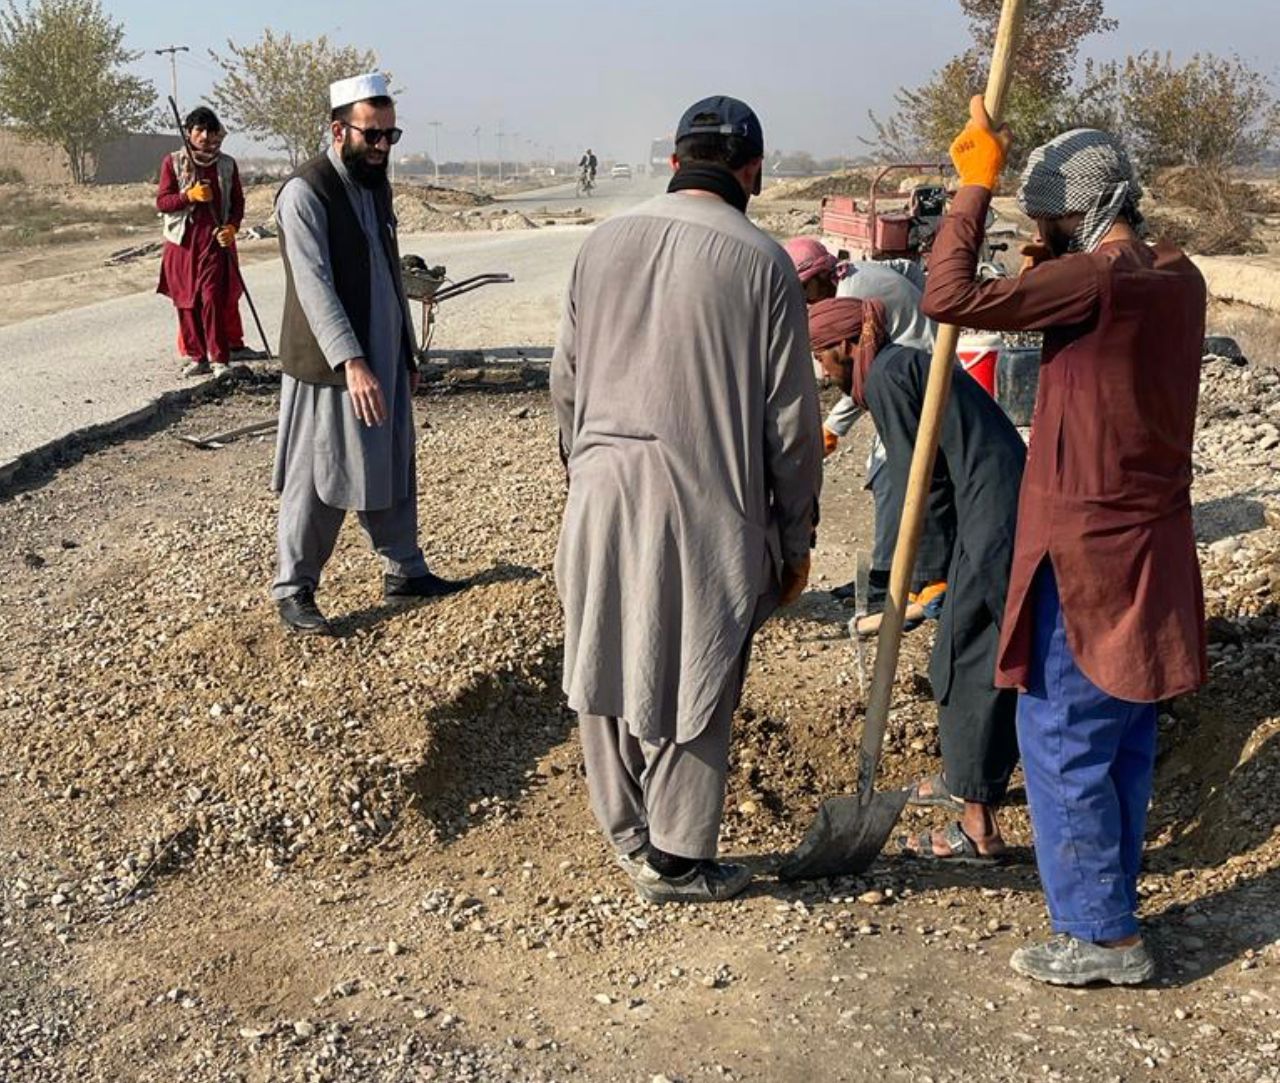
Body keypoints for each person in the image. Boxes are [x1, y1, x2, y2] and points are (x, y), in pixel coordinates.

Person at [923, 97, 1207, 986]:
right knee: (1123, 737)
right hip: (1153, 545)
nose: (1039, 238)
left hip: (1085, 552)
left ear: (1077, 217)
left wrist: (974, 189)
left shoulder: (1099, 281)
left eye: (1045, 223)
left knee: (1062, 735)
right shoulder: (1180, 276)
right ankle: (1108, 905)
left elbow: (948, 296)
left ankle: (1102, 937)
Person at [552, 96, 823, 903]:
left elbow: (564, 381)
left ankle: (627, 829)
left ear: (674, 163)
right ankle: (674, 854)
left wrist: (581, 472)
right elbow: (791, 424)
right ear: (753, 173)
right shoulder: (764, 261)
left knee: (601, 650)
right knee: (701, 663)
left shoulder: (601, 244)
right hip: (707, 497)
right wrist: (795, 532)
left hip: (599, 485)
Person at [807, 294, 1025, 865]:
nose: (822, 372)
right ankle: (968, 777)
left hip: (993, 516)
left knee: (961, 660)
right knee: (987, 652)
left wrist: (927, 577)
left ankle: (977, 828)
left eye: (821, 358)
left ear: (844, 345)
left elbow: (917, 481)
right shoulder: (899, 364)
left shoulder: (886, 375)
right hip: (996, 505)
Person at [270, 72, 465, 635]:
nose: (382, 147)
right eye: (372, 135)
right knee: (319, 471)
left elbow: (386, 270)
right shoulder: (304, 193)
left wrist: (403, 351)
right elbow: (314, 286)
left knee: (392, 457)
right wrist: (352, 362)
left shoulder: (374, 183)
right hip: (332, 366)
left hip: (382, 354)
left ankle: (405, 569)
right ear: (338, 130)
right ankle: (294, 586)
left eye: (390, 135)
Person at [782, 239, 952, 623]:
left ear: (821, 276)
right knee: (886, 477)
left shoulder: (851, 294)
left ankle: (903, 580)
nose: (806, 302)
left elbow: (856, 367)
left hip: (914, 380)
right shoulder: (854, 278)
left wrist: (831, 427)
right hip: (906, 374)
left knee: (897, 477)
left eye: (805, 291)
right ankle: (889, 574)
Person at [155, 106, 246, 378]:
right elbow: (163, 202)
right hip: (182, 242)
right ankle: (197, 357)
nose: (205, 136)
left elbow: (238, 203)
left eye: (210, 130)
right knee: (186, 299)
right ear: (189, 133)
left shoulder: (227, 165)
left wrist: (232, 227)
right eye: (199, 130)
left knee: (212, 298)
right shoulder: (172, 162)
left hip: (214, 243)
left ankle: (219, 359)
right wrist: (189, 196)